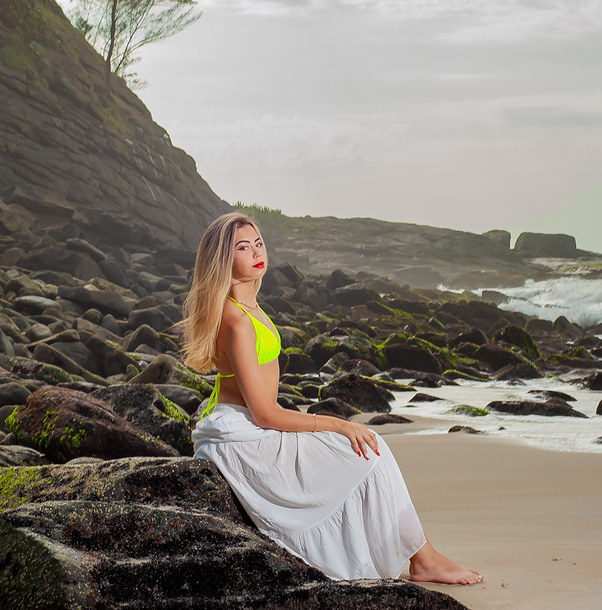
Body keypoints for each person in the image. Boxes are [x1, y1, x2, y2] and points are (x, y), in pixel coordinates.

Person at [182, 211, 482, 584]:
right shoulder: (237, 320)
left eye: (259, 242)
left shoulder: (248, 308)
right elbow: (263, 413)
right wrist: (338, 425)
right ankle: (424, 560)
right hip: (243, 436)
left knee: (370, 449)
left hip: (246, 424)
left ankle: (424, 557)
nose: (257, 252)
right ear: (224, 260)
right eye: (243, 247)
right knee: (367, 450)